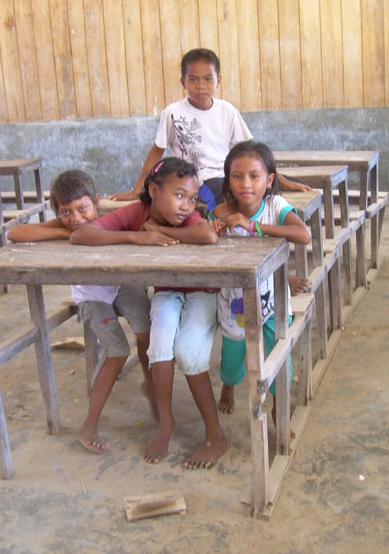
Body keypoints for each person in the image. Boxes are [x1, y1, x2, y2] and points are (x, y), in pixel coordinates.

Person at [110, 47, 311, 294]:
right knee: (224, 219)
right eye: (193, 79)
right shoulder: (172, 113)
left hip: (227, 176)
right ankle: (241, 276)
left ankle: (270, 274)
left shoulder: (227, 111)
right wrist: (136, 190)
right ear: (182, 82)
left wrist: (283, 181)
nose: (201, 86)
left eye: (208, 79)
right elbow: (156, 151)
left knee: (258, 205)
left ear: (219, 80)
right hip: (195, 181)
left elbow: (254, 156)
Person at [71, 158, 228, 469]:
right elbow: (81, 235)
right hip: (167, 293)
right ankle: (165, 423)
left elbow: (207, 235)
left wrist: (158, 230)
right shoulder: (136, 213)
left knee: (188, 352)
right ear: (154, 191)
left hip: (201, 292)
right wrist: (135, 235)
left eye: (191, 198)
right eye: (179, 195)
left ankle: (215, 435)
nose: (186, 205)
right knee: (158, 347)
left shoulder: (188, 217)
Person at [7, 170, 156, 454]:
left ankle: (150, 385)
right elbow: (15, 233)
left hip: (122, 286)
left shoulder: (111, 219)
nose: (75, 217)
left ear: (96, 201)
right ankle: (89, 424)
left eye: (82, 208)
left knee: (147, 330)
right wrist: (67, 233)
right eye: (66, 212)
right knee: (117, 351)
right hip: (91, 296)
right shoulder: (69, 226)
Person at [209, 141, 311, 425]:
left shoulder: (275, 206)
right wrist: (213, 230)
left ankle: (279, 405)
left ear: (269, 180)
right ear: (228, 180)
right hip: (234, 302)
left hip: (274, 300)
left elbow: (303, 235)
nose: (245, 183)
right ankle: (230, 384)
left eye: (254, 176)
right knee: (232, 357)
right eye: (237, 176)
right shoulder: (219, 213)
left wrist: (252, 225)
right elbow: (204, 242)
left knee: (279, 355)